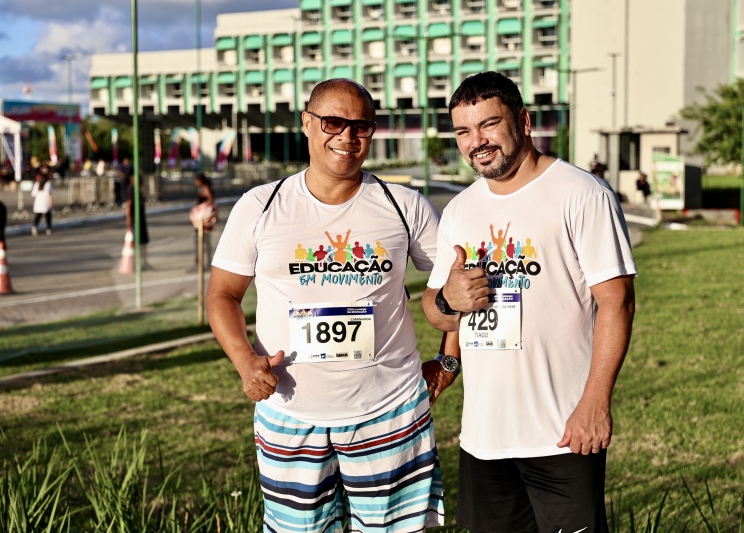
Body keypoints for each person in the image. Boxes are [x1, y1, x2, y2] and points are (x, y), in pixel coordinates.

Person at [207, 79, 452, 533]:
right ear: (307, 123)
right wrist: (244, 362)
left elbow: (455, 286)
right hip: (289, 413)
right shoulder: (260, 206)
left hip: (391, 411)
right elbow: (222, 294)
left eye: (361, 126)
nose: (347, 136)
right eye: (333, 122)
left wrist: (449, 360)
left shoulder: (405, 206)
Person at [421, 72, 637, 533]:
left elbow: (617, 302)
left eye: (489, 124)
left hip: (563, 433)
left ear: (523, 120)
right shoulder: (459, 210)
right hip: (484, 437)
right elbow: (436, 311)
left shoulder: (581, 193)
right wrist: (449, 301)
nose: (476, 141)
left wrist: (596, 401)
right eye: (463, 131)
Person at [124, 168, 150, 268]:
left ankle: (144, 263)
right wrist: (129, 223)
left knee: (143, 242)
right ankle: (136, 264)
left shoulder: (138, 189)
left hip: (141, 219)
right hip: (136, 221)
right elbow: (129, 206)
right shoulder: (131, 189)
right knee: (136, 242)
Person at [190, 173, 217, 268]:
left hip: (203, 220)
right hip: (201, 220)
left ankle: (203, 263)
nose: (195, 182)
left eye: (196, 180)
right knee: (202, 242)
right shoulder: (203, 189)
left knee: (202, 242)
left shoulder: (205, 189)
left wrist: (200, 208)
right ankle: (201, 262)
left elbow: (210, 201)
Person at [31, 165, 53, 236]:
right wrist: (51, 202)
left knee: (38, 215)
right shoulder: (48, 184)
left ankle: (34, 227)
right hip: (45, 202)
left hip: (38, 202)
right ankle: (48, 228)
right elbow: (50, 194)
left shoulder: (37, 184)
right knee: (47, 216)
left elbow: (33, 194)